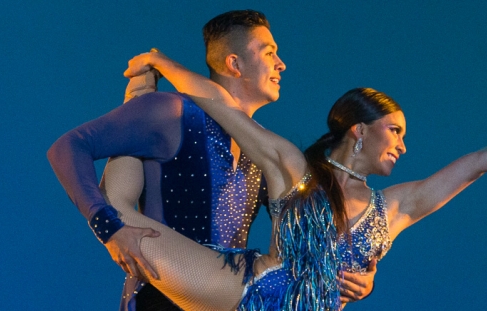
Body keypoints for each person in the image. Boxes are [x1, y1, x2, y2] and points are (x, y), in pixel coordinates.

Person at [60, 50, 487, 310]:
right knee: (127, 222)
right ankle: (135, 92)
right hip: (248, 290)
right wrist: (163, 65)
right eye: (396, 131)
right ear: (360, 131)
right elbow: (219, 106)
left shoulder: (396, 208)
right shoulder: (296, 173)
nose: (403, 145)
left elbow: (479, 161)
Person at [46, 10, 375, 311]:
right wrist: (110, 229)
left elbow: (308, 230)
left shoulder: (263, 153)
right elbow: (68, 147)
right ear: (235, 63)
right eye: (269, 52)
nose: (281, 64)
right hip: (162, 299)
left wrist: (357, 275)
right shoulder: (170, 111)